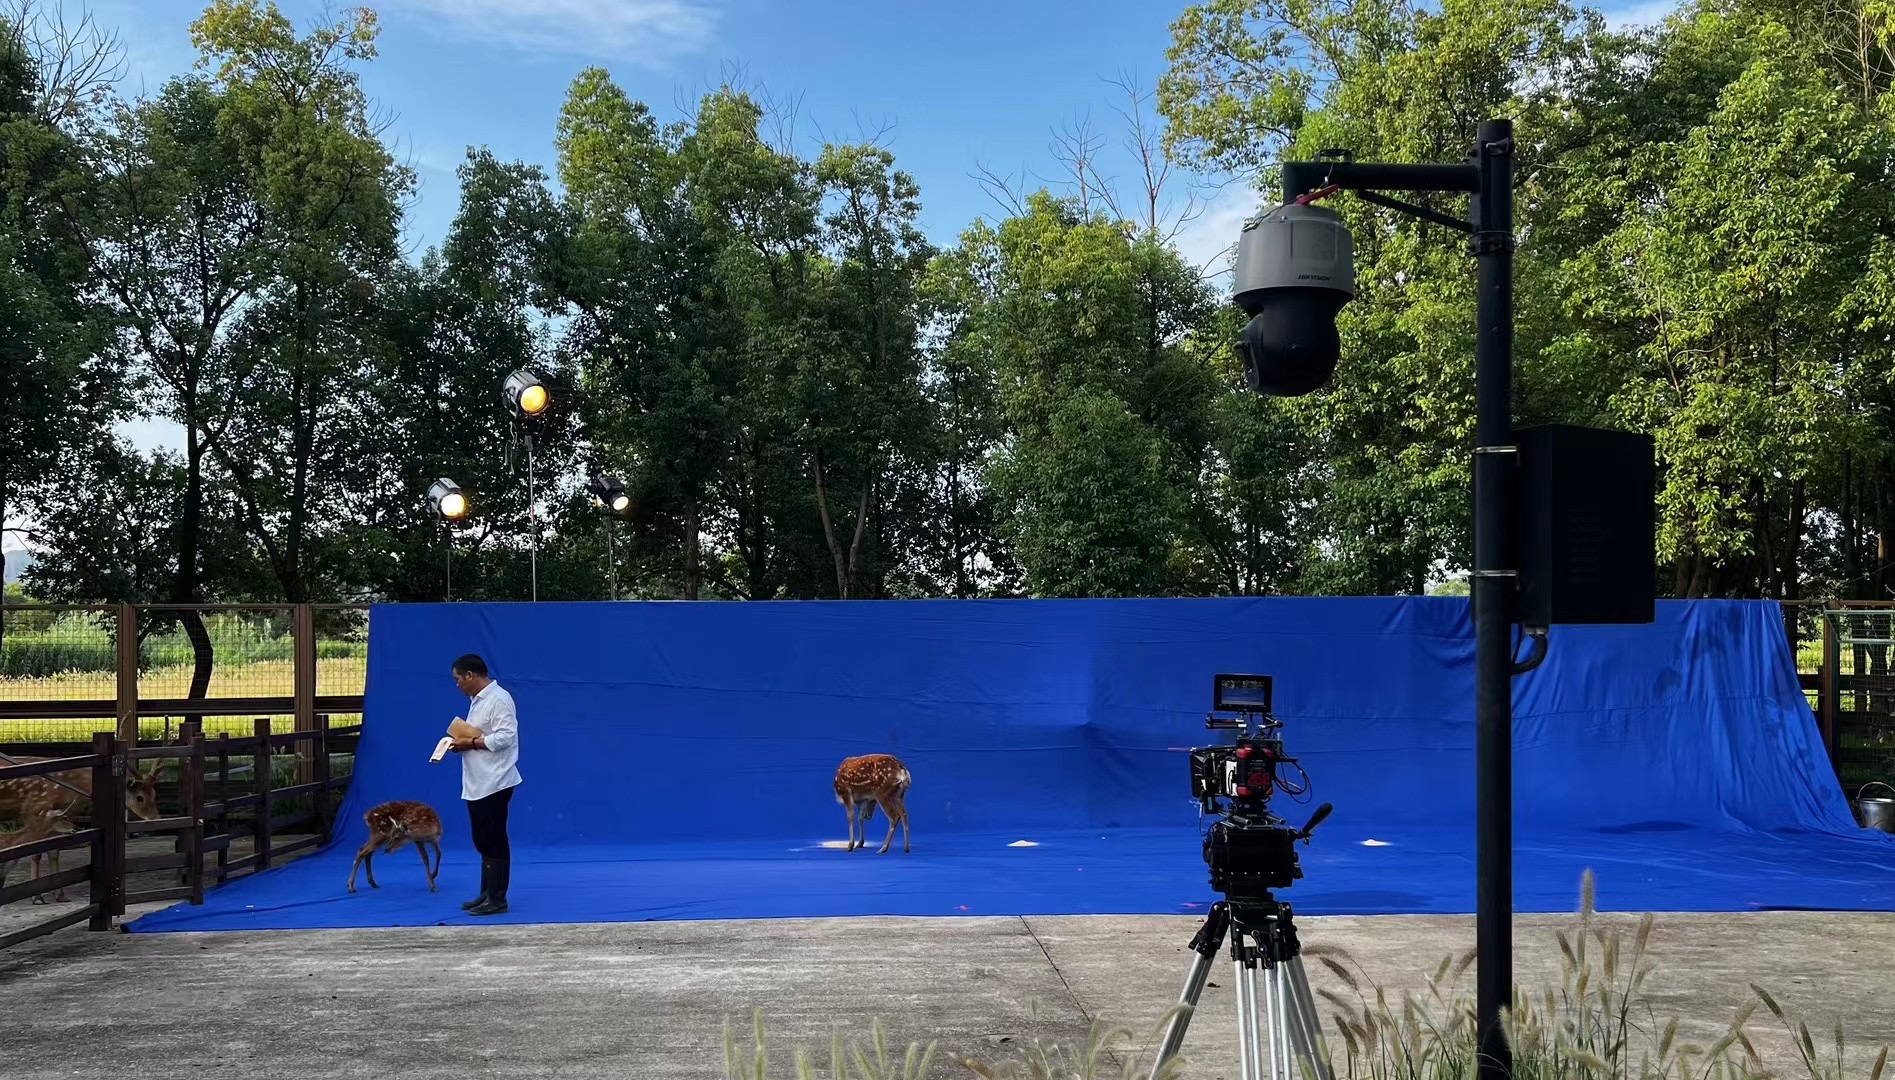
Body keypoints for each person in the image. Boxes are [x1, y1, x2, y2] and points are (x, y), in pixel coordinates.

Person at [449, 653, 520, 916]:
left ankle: (498, 898)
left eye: (458, 678)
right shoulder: (478, 700)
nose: (457, 684)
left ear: (470, 675)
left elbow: (505, 737)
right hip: (478, 781)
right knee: (482, 838)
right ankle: (486, 892)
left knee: (494, 838)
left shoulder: (499, 699)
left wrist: (471, 743)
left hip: (495, 780)